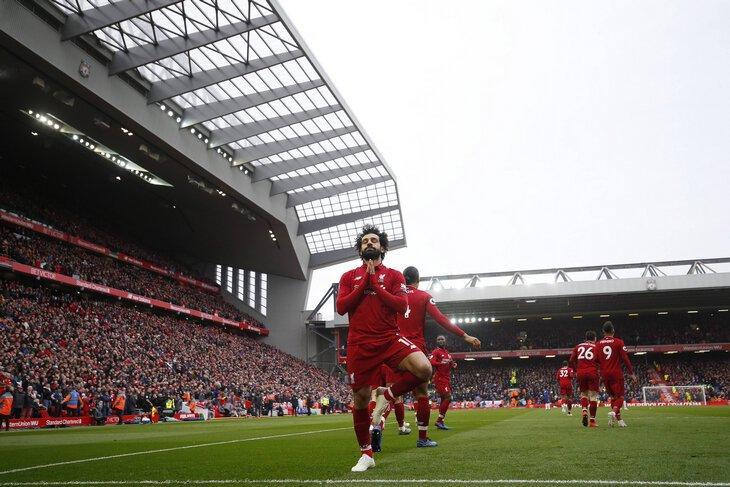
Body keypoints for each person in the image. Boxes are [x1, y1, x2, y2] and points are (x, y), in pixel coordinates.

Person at [336, 225, 432, 472]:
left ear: (382, 247)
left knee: (424, 369)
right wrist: (365, 283)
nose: (369, 243)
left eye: (374, 240)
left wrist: (376, 286)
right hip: (359, 343)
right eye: (365, 241)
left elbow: (401, 305)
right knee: (360, 399)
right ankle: (366, 454)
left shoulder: (394, 276)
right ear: (360, 248)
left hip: (389, 339)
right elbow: (341, 307)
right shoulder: (348, 276)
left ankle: (388, 395)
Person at [396, 266, 480, 444]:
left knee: (389, 393)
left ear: (403, 280)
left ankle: (376, 429)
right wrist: (464, 335)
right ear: (418, 280)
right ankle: (422, 438)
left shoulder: (394, 296)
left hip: (394, 348)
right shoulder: (424, 296)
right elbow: (441, 319)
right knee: (421, 393)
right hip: (415, 349)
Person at [596, 321, 636, 427]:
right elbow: (625, 358)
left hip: (604, 374)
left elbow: (596, 361)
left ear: (603, 332)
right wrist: (631, 372)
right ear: (613, 331)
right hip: (616, 373)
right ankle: (613, 412)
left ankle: (619, 420)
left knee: (613, 397)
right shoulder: (619, 342)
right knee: (620, 397)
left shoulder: (598, 344)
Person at [569, 330, 600, 427]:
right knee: (593, 397)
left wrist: (576, 370)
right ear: (595, 338)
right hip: (592, 372)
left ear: (585, 338)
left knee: (584, 394)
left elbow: (571, 360)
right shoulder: (597, 347)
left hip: (581, 372)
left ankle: (584, 411)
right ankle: (592, 421)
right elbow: (600, 361)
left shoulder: (578, 346)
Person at [430, 335, 459, 430]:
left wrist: (453, 365)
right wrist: (441, 363)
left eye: (442, 339)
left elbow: (450, 364)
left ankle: (441, 422)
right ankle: (439, 421)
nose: (440, 341)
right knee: (448, 397)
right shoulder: (436, 351)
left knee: (444, 399)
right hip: (440, 378)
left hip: (447, 378)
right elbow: (431, 362)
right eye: (438, 339)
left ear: (445, 341)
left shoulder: (447, 353)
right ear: (436, 341)